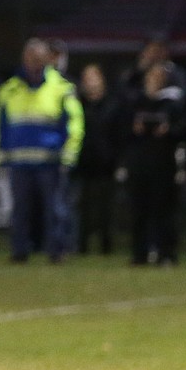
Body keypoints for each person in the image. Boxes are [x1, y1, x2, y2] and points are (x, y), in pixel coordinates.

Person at [0, 37, 84, 264]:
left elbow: (75, 124)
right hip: (19, 161)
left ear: (47, 59)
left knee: (55, 210)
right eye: (30, 56)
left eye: (38, 57)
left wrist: (69, 154)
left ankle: (56, 250)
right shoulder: (9, 90)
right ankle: (20, 250)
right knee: (20, 210)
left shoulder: (61, 88)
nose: (33, 61)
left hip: (51, 161)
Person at [123, 62, 185, 266]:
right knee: (139, 211)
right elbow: (119, 129)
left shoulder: (173, 103)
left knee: (163, 211)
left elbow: (183, 130)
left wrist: (169, 130)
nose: (154, 81)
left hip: (163, 164)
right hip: (139, 164)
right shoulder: (135, 102)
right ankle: (139, 253)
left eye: (159, 77)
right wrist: (135, 128)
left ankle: (165, 253)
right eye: (151, 77)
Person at [74, 63, 124, 255]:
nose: (91, 83)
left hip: (106, 162)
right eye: (87, 79)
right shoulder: (78, 104)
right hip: (84, 161)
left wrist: (118, 160)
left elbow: (118, 134)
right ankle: (82, 245)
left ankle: (106, 245)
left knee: (106, 207)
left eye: (94, 78)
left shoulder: (112, 104)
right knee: (83, 206)